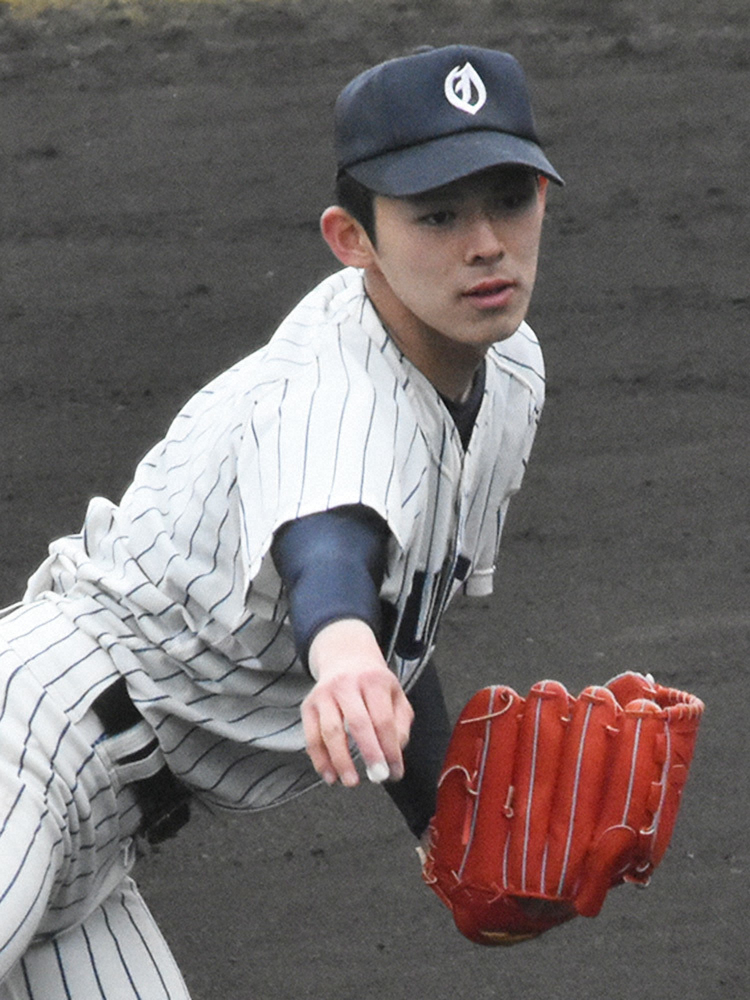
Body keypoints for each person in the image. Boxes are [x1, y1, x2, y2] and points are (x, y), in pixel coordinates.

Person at [0, 44, 562, 998]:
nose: (484, 245)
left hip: (103, 836)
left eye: (510, 199)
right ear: (353, 238)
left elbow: (398, 627)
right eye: (436, 214)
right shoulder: (330, 389)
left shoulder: (509, 373)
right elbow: (329, 544)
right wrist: (343, 656)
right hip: (28, 750)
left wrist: (452, 836)